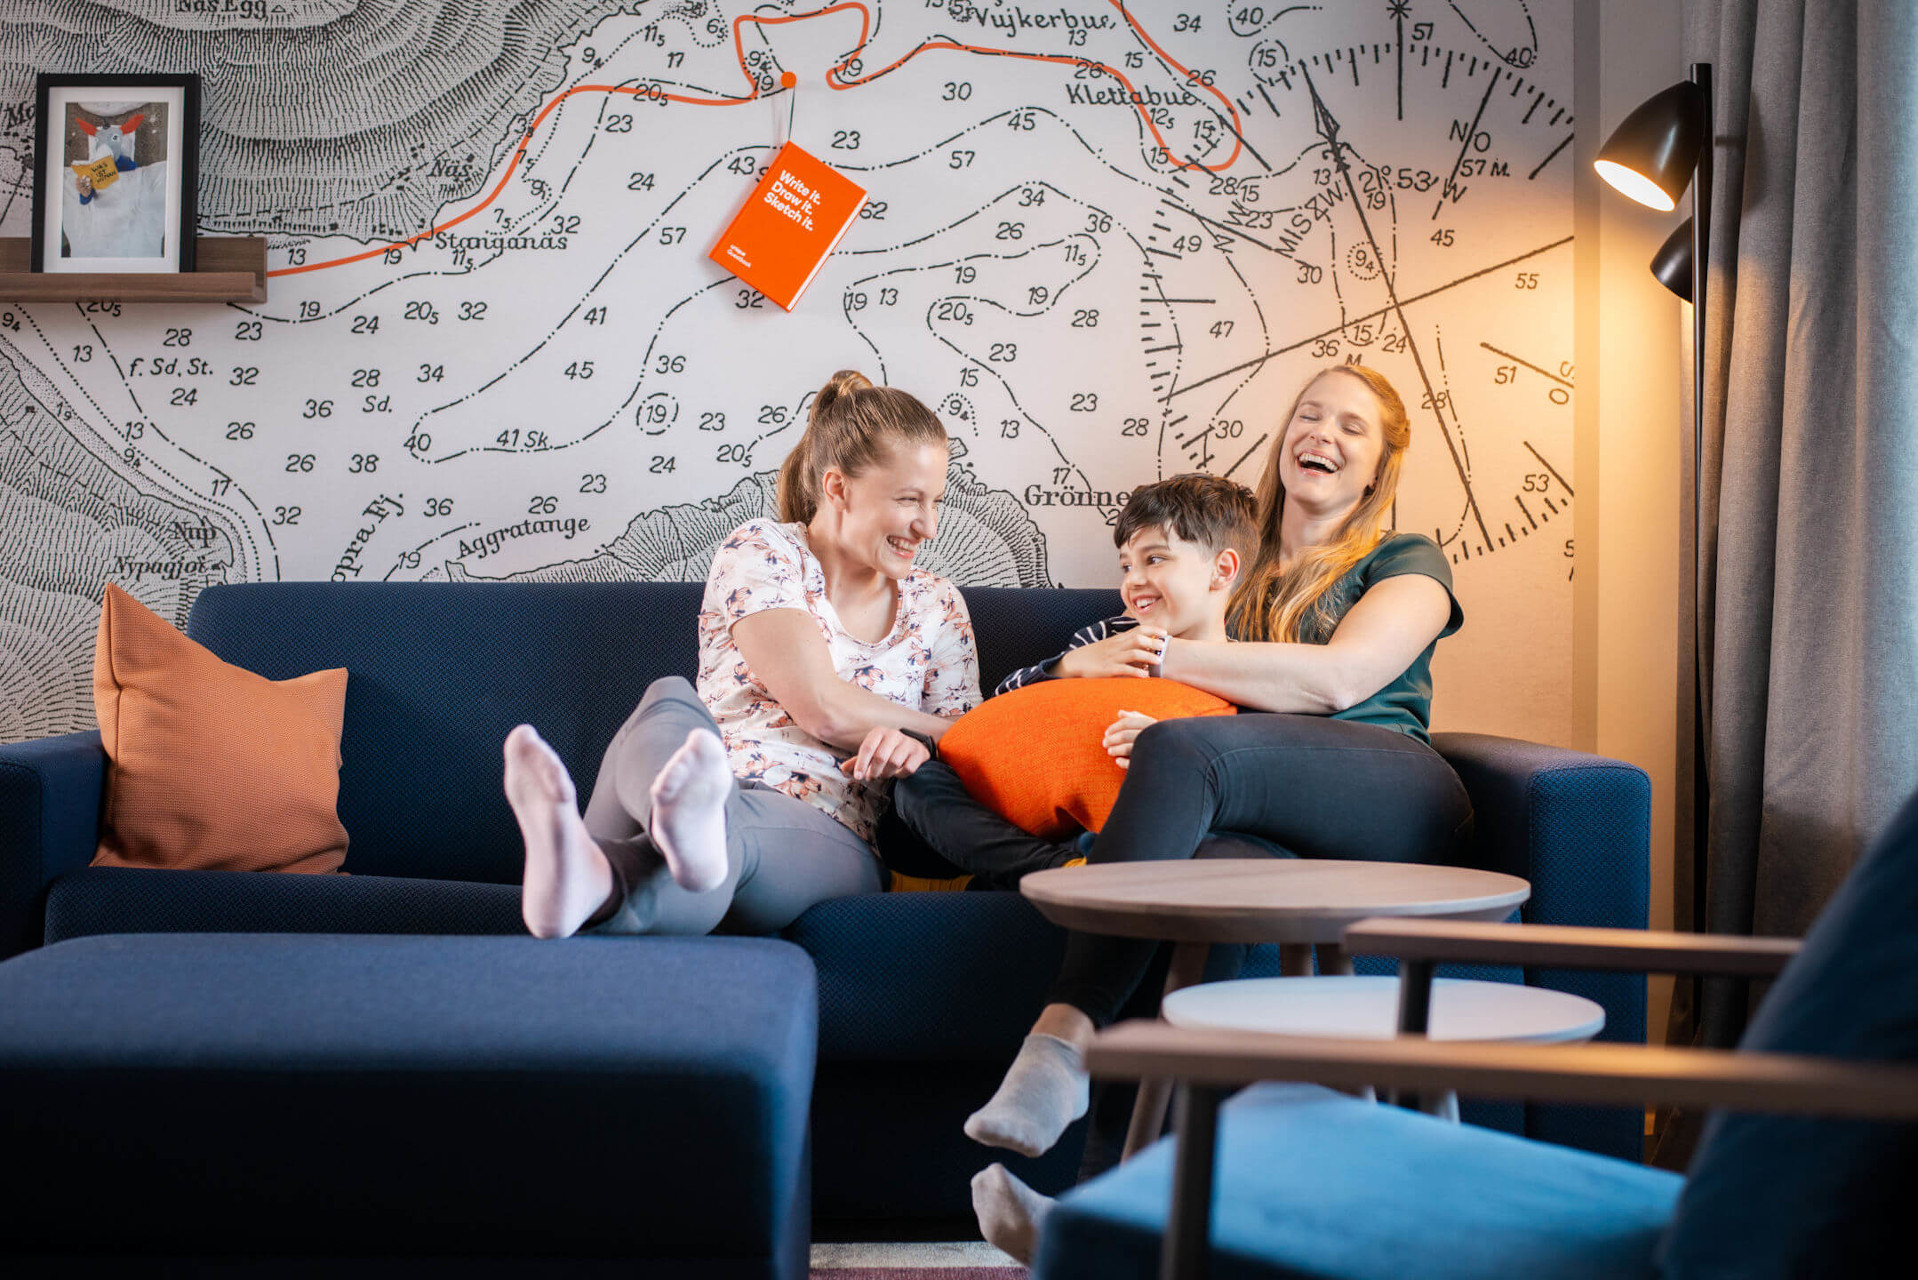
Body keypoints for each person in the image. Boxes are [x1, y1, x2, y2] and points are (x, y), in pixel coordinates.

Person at [965, 365, 1474, 1261]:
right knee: (1188, 884)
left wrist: (1160, 675)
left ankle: (1061, 1042)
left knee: (1184, 751)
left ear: (1379, 467)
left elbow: (1340, 681)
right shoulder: (1226, 572)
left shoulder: (1405, 561)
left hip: (1392, 788)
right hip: (1259, 809)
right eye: (1309, 415)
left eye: (1352, 427)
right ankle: (1101, 1217)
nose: (1322, 433)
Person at [507, 369, 980, 941]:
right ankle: (677, 827)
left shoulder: (937, 605)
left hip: (824, 826)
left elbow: (973, 744)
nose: (926, 526)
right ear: (837, 489)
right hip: (694, 779)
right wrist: (930, 731)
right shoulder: (763, 550)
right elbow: (822, 707)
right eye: (908, 500)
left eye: (935, 502)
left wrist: (919, 744)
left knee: (729, 834)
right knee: (668, 699)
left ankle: (603, 867)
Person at [892, 473, 1259, 887]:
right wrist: (1070, 665)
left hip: (1122, 828)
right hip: (1020, 821)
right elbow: (996, 717)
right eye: (1126, 566)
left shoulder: (1248, 671)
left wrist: (1175, 749)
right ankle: (1058, 872)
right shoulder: (1105, 637)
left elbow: (1251, 765)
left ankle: (1063, 870)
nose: (1133, 580)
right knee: (914, 778)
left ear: (1222, 570)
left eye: (1154, 559)